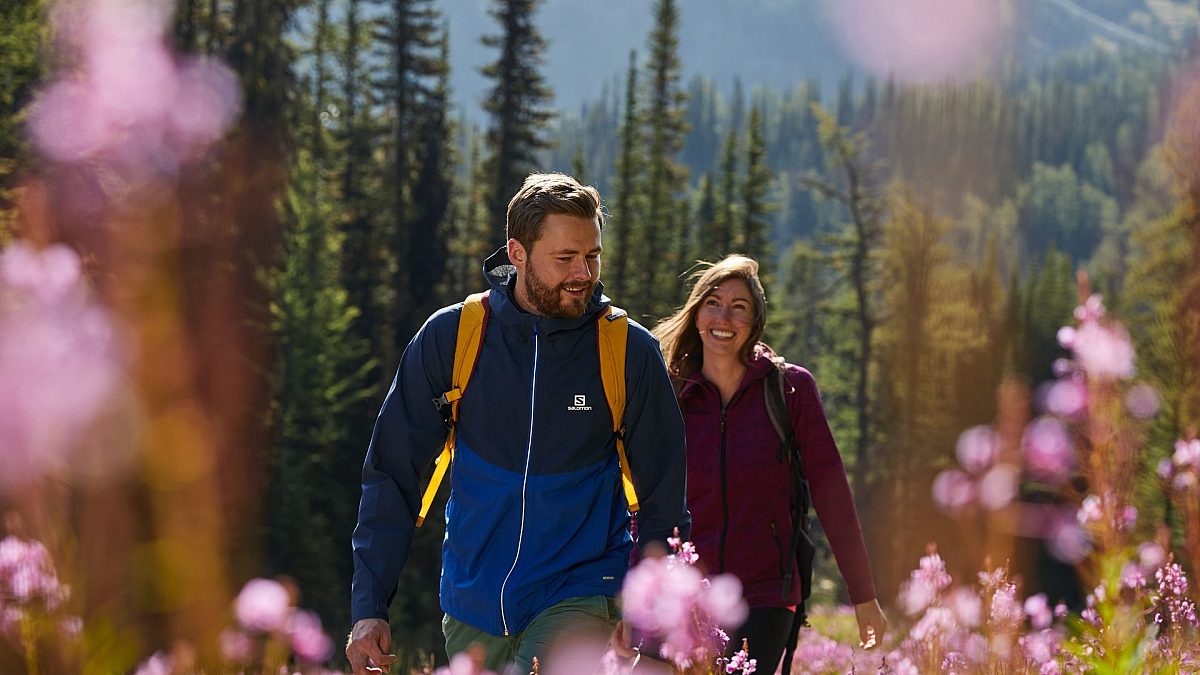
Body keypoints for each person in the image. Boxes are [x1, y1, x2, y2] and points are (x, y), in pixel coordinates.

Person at [346, 173, 691, 675]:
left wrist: (656, 627)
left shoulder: (627, 351)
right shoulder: (454, 337)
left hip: (580, 591)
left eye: (592, 256)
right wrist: (369, 605)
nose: (583, 273)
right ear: (518, 252)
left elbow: (665, 499)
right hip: (471, 605)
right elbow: (392, 474)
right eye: (565, 258)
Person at [652, 255, 887, 674]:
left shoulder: (790, 389)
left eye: (739, 307)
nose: (724, 317)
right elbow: (643, 501)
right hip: (687, 597)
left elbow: (833, 496)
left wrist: (863, 596)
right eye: (713, 303)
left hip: (766, 595)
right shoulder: (671, 394)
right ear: (697, 312)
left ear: (755, 321)